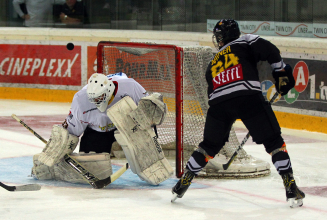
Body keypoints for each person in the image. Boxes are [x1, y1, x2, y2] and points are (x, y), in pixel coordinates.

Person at [172, 19, 305, 208]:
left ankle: (184, 182)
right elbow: (271, 50)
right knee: (274, 142)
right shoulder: (246, 41)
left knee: (208, 146)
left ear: (221, 38)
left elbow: (212, 92)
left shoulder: (213, 62)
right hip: (248, 97)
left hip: (218, 105)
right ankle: (290, 186)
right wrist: (280, 72)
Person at [31, 72, 173, 186]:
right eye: (94, 99)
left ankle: (153, 163)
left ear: (109, 90)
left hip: (128, 127)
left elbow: (148, 113)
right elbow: (70, 133)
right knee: (92, 166)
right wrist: (56, 154)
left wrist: (149, 124)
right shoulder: (81, 100)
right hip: (98, 132)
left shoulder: (130, 87)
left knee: (144, 142)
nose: (97, 102)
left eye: (100, 98)